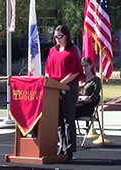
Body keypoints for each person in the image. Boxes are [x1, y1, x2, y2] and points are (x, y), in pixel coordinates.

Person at [45, 25, 82, 160]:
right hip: (54, 89)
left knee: (68, 118)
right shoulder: (52, 51)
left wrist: (61, 84)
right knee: (58, 119)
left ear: (66, 36)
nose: (57, 39)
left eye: (60, 36)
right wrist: (51, 83)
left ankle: (69, 149)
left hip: (68, 88)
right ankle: (61, 146)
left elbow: (75, 71)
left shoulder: (72, 51)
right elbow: (48, 70)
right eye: (55, 37)